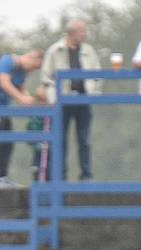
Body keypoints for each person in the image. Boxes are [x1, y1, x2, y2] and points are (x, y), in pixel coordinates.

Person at [42, 20, 101, 180]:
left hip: (83, 99)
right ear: (72, 33)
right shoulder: (55, 50)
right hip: (62, 101)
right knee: (60, 139)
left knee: (84, 139)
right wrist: (53, 97)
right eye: (82, 31)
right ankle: (60, 176)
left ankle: (86, 176)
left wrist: (93, 92)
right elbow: (47, 77)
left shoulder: (88, 51)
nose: (85, 34)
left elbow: (97, 73)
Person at [0, 50, 43, 189]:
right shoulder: (7, 62)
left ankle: (3, 176)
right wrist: (21, 99)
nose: (32, 71)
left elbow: (20, 86)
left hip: (3, 109)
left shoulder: (22, 71)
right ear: (30, 57)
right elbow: (4, 83)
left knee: (8, 142)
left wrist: (28, 99)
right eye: (33, 67)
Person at [26, 86, 51, 181]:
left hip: (51, 155)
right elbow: (30, 136)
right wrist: (38, 144)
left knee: (50, 173)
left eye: (44, 100)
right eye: (40, 100)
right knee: (37, 173)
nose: (42, 104)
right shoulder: (34, 118)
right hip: (38, 154)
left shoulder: (53, 118)